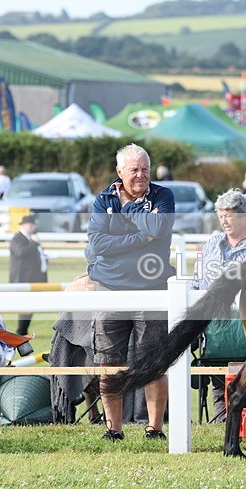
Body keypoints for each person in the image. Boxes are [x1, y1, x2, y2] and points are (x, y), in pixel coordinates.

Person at [87, 143, 176, 441]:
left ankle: (155, 428)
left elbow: (159, 230)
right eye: (134, 169)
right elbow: (98, 244)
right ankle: (114, 429)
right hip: (109, 291)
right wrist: (140, 236)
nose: (140, 175)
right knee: (108, 362)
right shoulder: (103, 199)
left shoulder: (163, 196)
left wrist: (126, 212)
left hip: (152, 290)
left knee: (154, 363)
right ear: (119, 171)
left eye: (145, 169)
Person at [191, 189, 246, 422]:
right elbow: (197, 282)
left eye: (229, 215)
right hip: (215, 329)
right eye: (220, 215)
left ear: (245, 215)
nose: (224, 221)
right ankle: (223, 420)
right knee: (218, 376)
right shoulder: (211, 244)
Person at [9, 215, 48, 335]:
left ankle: (23, 331)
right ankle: (21, 331)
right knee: (25, 306)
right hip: (23, 278)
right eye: (30, 225)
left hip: (32, 277)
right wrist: (34, 243)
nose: (32, 228)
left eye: (33, 225)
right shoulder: (18, 238)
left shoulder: (29, 239)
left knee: (30, 306)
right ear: (23, 226)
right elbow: (20, 252)